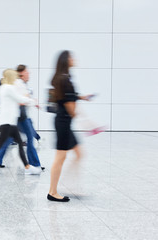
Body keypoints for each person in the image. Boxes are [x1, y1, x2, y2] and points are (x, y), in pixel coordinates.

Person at [47, 50, 92, 202]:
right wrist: (83, 119)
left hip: (63, 121)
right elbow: (70, 107)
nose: (74, 59)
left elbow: (65, 96)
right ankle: (52, 192)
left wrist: (79, 97)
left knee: (79, 154)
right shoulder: (65, 80)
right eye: (72, 57)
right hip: (64, 122)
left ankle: (69, 185)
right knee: (60, 157)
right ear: (66, 61)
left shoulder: (61, 78)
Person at [0, 69, 41, 175]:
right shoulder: (8, 88)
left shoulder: (3, 88)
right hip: (7, 123)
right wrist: (33, 101)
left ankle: (27, 167)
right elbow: (20, 99)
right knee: (0, 145)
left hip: (10, 122)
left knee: (20, 145)